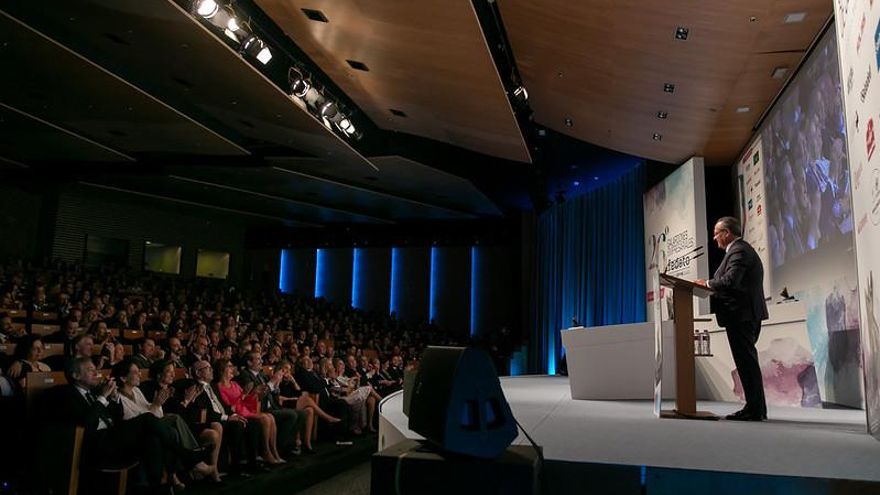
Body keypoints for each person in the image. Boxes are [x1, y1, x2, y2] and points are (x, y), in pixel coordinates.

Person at [696, 216, 769, 421]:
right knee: (746, 364)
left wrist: (707, 283)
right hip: (741, 315)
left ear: (727, 233)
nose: (714, 238)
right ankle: (755, 408)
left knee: (747, 363)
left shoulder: (739, 251)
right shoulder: (739, 251)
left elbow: (730, 281)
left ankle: (755, 410)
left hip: (742, 316)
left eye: (716, 233)